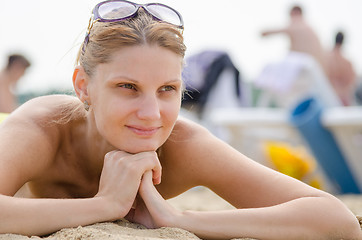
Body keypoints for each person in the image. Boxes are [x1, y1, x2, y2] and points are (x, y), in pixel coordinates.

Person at [0, 1, 360, 239]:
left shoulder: (183, 144)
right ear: (83, 86)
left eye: (167, 89)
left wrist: (180, 219)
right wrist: (102, 206)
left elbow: (337, 222)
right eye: (128, 86)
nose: (152, 114)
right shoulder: (44, 127)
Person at [261, 5, 327, 73]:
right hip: (316, 68)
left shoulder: (297, 23)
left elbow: (275, 31)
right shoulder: (309, 27)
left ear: (296, 13)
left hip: (305, 66)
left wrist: (264, 33)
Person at [326, 31, 357, 106]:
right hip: (343, 98)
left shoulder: (326, 59)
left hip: (329, 96)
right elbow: (352, 81)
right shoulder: (346, 62)